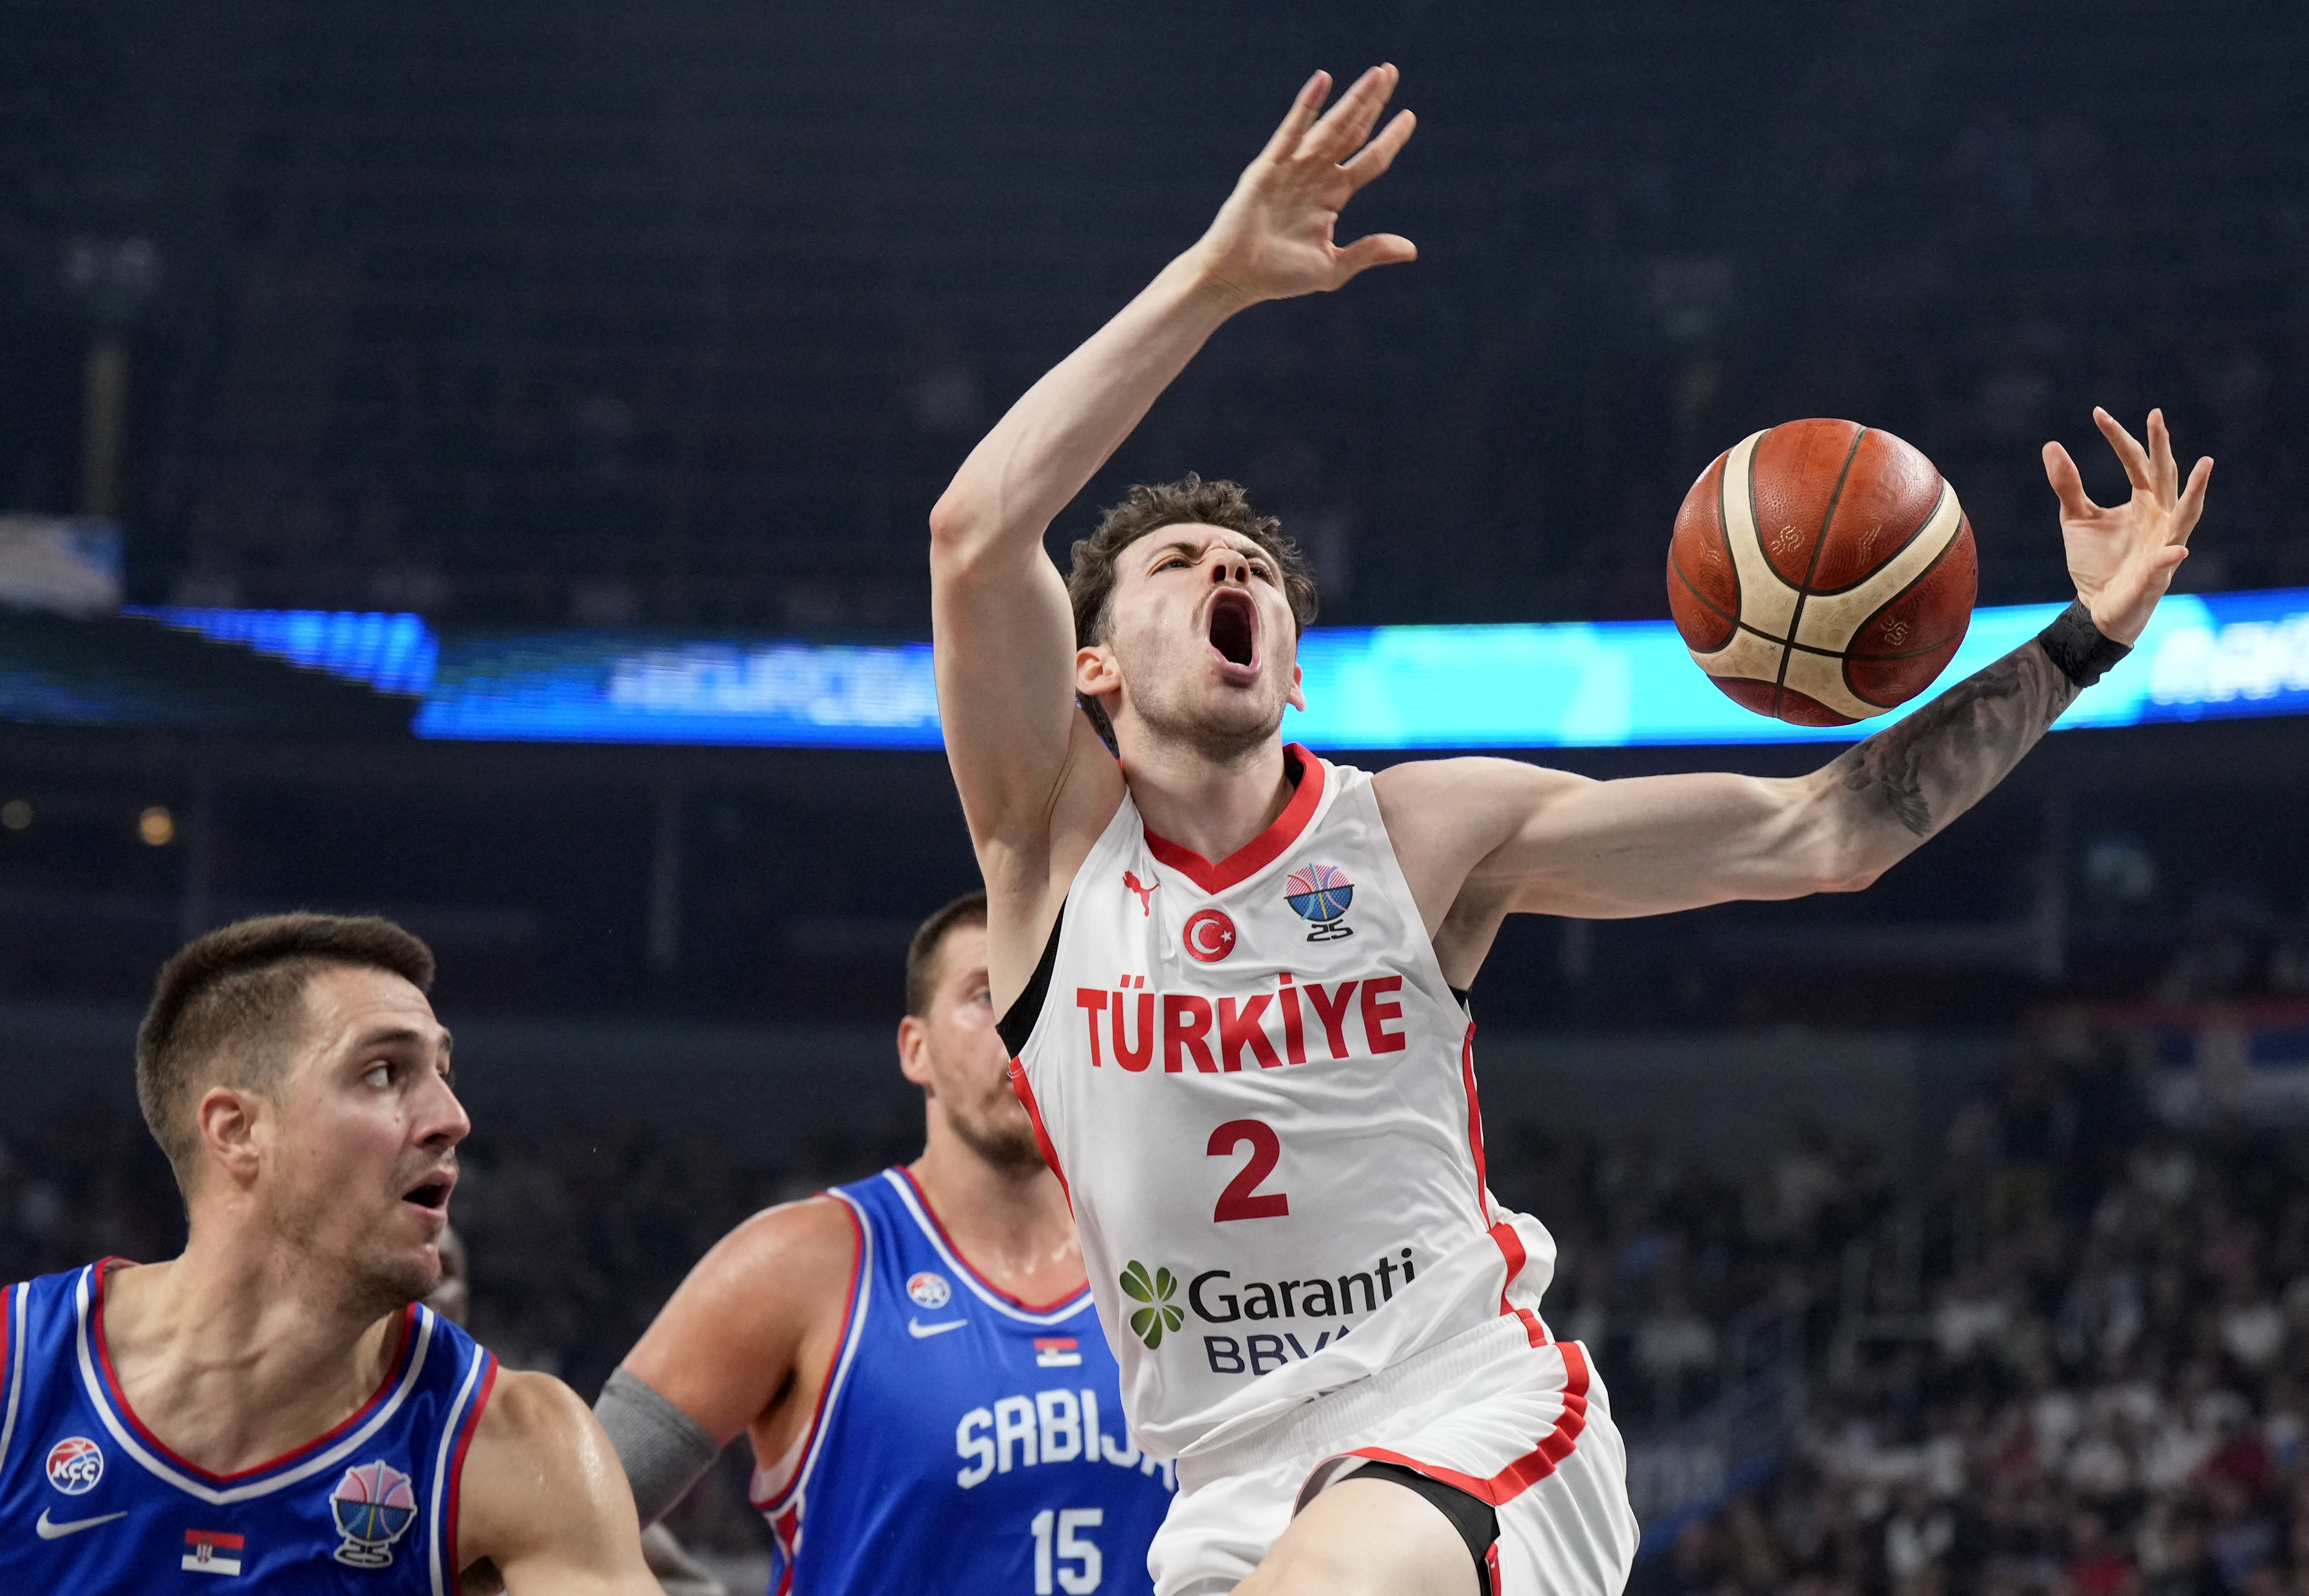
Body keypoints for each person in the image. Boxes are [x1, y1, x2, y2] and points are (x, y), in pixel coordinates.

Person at [926, 63, 2211, 1596]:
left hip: (1462, 1415)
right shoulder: (1049, 854)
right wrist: (1212, 280)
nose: (1232, 575)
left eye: (1255, 570)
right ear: (1088, 666)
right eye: (1182, 563)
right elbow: (974, 531)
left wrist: (2079, 642)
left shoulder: (1423, 832)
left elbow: (1823, 832)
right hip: (1219, 1484)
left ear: (1287, 660)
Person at [0, 913, 662, 1593]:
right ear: (238, 1131)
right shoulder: (17, 1370)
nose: (454, 1118)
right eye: (383, 1072)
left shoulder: (517, 1443)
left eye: (443, 1072)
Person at [597, 892, 1175, 1593]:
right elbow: (558, 1516)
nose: (1028, 1024)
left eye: (1055, 990)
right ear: (914, 1048)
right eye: (988, 994)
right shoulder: (798, 1263)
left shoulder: (1187, 1260)